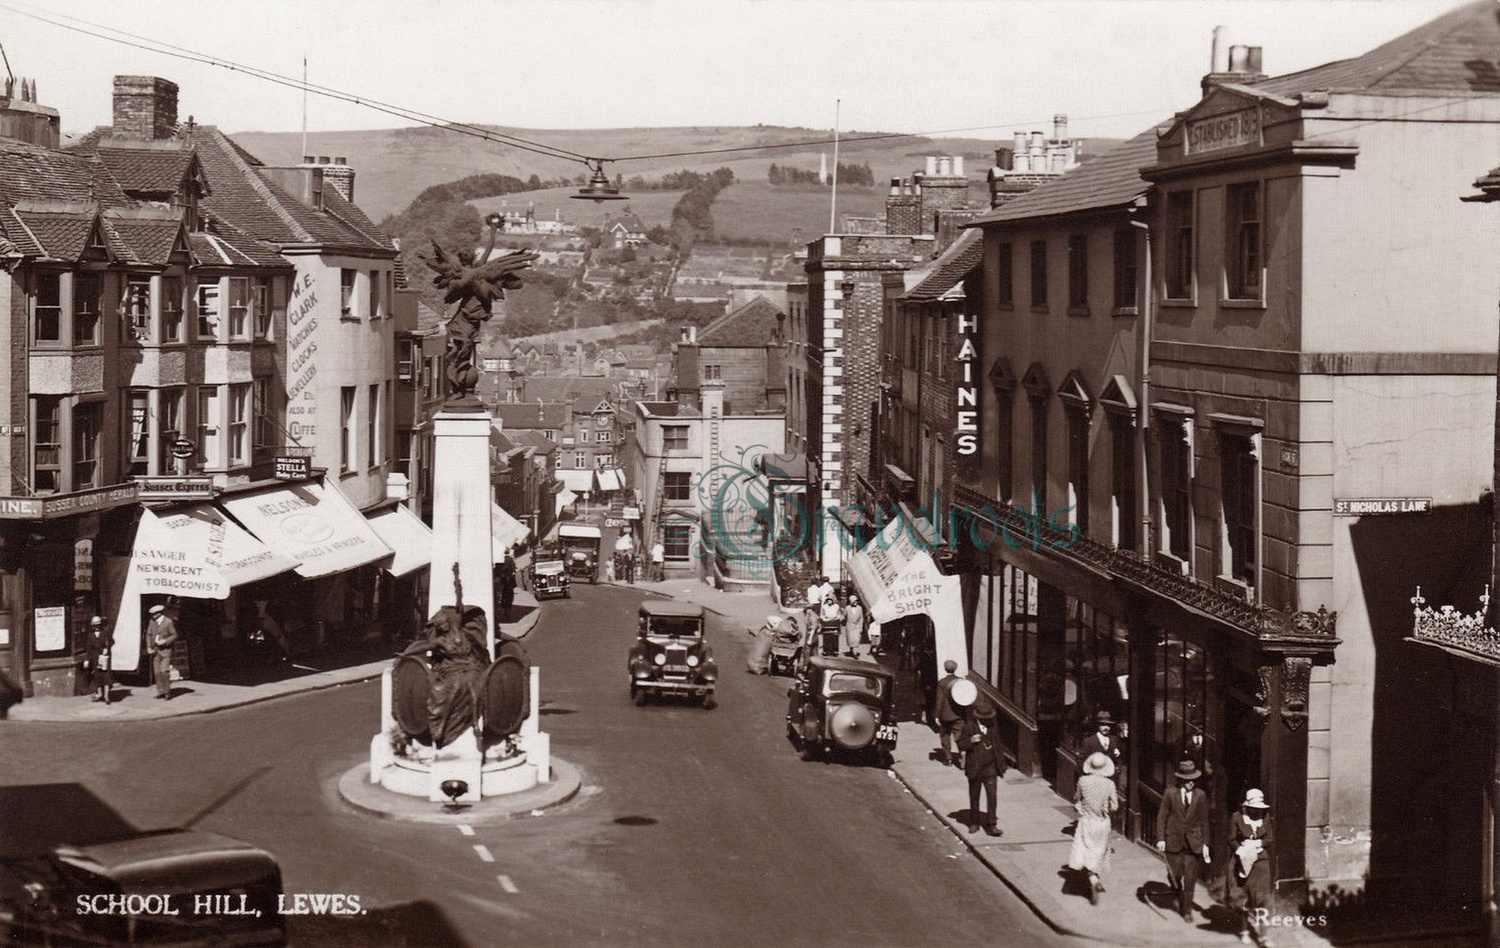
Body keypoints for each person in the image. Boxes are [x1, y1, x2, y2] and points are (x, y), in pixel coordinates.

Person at [1155, 758, 1213, 923]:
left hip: (1193, 843)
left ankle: (1187, 910)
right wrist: (1161, 838)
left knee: (1190, 878)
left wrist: (1206, 844)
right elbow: (1162, 817)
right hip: (1173, 841)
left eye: (1193, 780)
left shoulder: (1200, 795)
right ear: (1181, 779)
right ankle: (1177, 892)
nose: (1191, 783)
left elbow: (1204, 821)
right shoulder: (1170, 793)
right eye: (1187, 780)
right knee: (1175, 875)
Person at [1068, 751, 1119, 904]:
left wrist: (1082, 804)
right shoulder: (1110, 784)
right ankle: (1095, 878)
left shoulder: (1083, 781)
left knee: (1085, 852)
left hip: (1087, 821)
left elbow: (1076, 798)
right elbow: (1115, 806)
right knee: (1098, 852)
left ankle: (1093, 880)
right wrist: (1105, 807)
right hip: (1102, 823)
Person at [1228, 789, 1274, 945]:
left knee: (1263, 898)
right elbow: (1231, 839)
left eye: (1259, 808)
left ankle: (1263, 936)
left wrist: (1258, 843)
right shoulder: (1237, 817)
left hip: (1261, 862)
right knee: (1244, 897)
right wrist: (1240, 849)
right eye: (1254, 807)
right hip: (1242, 861)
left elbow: (1270, 838)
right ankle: (1245, 930)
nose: (1257, 810)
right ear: (1247, 806)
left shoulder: (1265, 817)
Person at [962, 697, 1004, 836]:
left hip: (990, 768)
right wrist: (970, 741)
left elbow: (998, 746)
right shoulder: (969, 727)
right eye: (984, 718)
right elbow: (960, 744)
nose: (987, 720)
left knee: (992, 796)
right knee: (974, 796)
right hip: (975, 767)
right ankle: (974, 823)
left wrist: (1001, 765)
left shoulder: (993, 727)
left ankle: (991, 825)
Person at [934, 659, 967, 765]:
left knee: (945, 736)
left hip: (945, 715)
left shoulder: (942, 682)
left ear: (945, 668)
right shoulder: (961, 681)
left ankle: (948, 758)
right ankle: (962, 752)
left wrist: (936, 715)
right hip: (959, 714)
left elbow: (939, 700)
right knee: (959, 736)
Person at [147, 604, 179, 701]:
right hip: (155, 650)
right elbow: (148, 635)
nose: (153, 616)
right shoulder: (152, 622)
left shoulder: (168, 622)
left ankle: (167, 692)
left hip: (165, 650)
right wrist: (149, 647)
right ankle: (160, 691)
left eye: (154, 614)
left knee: (164, 671)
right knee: (157, 672)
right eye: (152, 614)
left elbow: (174, 635)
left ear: (159, 613)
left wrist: (165, 641)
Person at [83, 616, 114, 704]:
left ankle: (106, 696)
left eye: (98, 625)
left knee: (106, 676)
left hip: (104, 657)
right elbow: (88, 649)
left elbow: (111, 641)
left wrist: (107, 648)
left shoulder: (105, 632)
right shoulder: (90, 636)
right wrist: (87, 660)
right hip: (95, 657)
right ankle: (100, 694)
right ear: (92, 625)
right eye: (95, 625)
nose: (97, 627)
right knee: (97, 676)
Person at [842, 593, 866, 658]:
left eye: (856, 601)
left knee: (856, 639)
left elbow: (861, 618)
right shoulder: (847, 608)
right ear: (851, 602)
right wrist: (839, 619)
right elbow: (843, 615)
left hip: (857, 626)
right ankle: (851, 650)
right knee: (851, 639)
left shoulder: (859, 608)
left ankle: (855, 653)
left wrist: (861, 627)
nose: (856, 603)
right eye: (854, 601)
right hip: (849, 626)